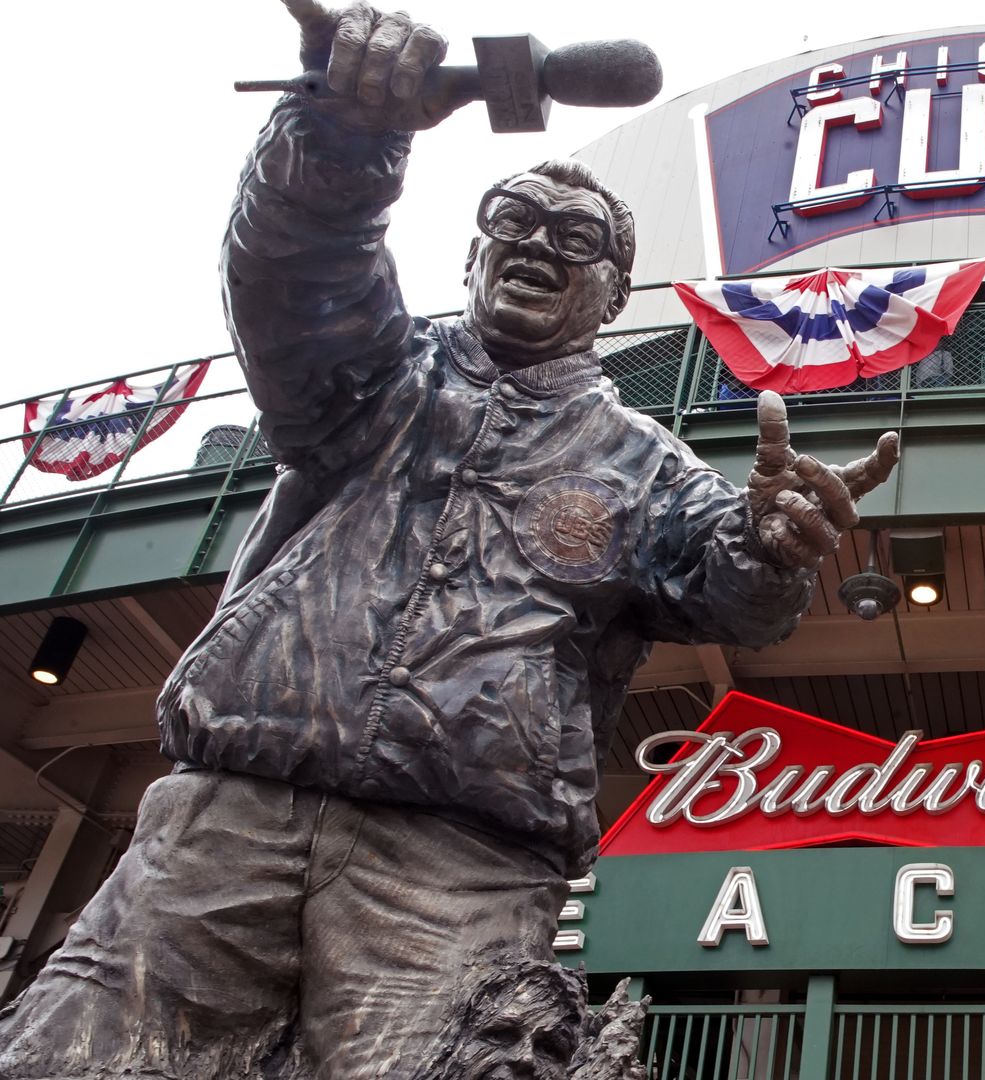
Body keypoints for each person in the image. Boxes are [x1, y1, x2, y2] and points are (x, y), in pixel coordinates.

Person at [0, 3, 897, 1077]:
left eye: (576, 242)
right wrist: (344, 131)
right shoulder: (373, 377)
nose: (535, 247)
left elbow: (733, 590)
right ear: (474, 255)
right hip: (225, 823)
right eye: (514, 222)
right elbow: (296, 275)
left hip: (458, 868)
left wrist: (774, 546)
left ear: (612, 294)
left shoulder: (647, 464)